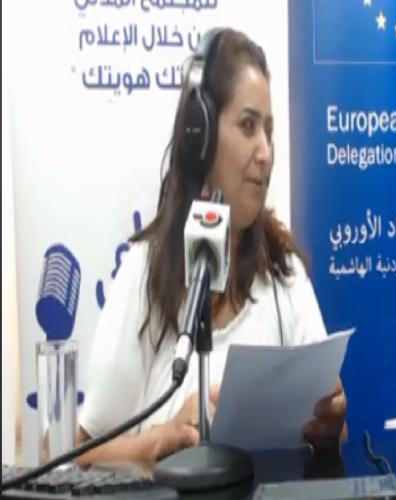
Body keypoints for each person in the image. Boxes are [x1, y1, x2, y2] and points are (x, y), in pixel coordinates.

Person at [75, 27, 346, 469]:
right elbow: (82, 454)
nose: (265, 152)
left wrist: (330, 423)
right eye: (248, 125)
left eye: (269, 130)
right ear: (200, 137)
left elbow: (330, 429)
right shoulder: (144, 274)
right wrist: (155, 445)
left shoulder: (285, 275)